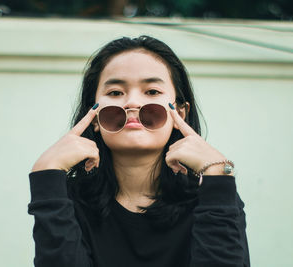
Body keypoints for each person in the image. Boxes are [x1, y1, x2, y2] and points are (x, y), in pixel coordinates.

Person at [27, 35, 250, 267]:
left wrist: (218, 175)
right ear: (93, 117)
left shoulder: (214, 196)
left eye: (152, 91)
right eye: (115, 92)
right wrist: (46, 173)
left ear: (180, 114)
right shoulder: (67, 199)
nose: (132, 102)